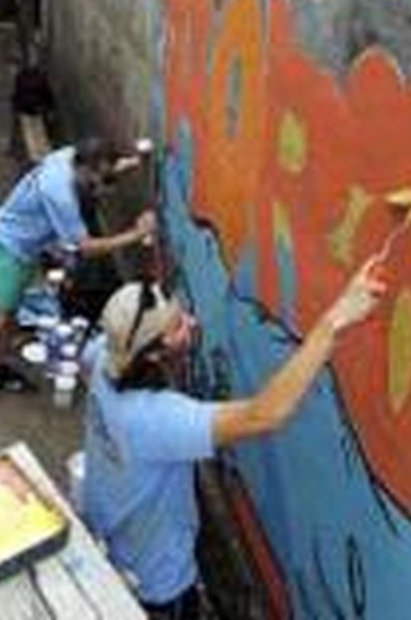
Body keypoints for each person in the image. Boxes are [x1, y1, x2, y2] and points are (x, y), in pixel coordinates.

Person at [80, 261, 388, 619]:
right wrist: (335, 320)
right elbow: (266, 413)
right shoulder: (157, 419)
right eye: (178, 326)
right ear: (151, 353)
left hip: (111, 541)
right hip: (159, 583)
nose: (192, 324)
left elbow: (88, 367)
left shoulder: (105, 356)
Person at [0, 137, 156, 439]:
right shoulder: (60, 193)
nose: (100, 190)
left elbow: (105, 164)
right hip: (8, 248)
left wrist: (135, 161)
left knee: (9, 319)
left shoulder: (71, 155)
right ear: (85, 169)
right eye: (99, 182)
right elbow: (85, 248)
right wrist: (135, 234)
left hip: (25, 246)